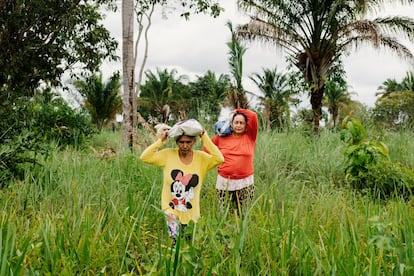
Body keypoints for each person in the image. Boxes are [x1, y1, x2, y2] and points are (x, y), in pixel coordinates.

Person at [140, 121, 224, 244]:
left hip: (192, 213)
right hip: (171, 209)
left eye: (188, 142)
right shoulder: (168, 155)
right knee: (175, 243)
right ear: (176, 142)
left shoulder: (201, 158)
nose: (185, 145)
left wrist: (204, 136)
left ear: (194, 141)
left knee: (189, 245)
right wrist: (161, 141)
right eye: (181, 142)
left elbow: (219, 158)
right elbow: (144, 157)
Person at [209, 108, 258, 214]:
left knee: (244, 213)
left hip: (245, 182)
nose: (239, 125)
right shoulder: (221, 138)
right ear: (231, 124)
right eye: (236, 122)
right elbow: (207, 148)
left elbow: (253, 116)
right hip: (224, 182)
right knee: (225, 213)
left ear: (246, 125)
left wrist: (237, 110)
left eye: (241, 123)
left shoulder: (250, 137)